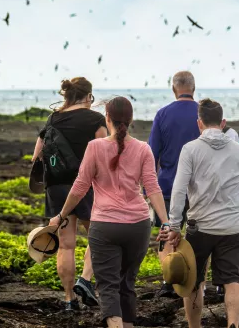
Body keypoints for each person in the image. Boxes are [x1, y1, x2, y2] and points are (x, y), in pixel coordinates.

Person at [50, 96, 170, 328]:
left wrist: (62, 215)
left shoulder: (95, 147)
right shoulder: (144, 149)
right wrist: (165, 222)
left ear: (107, 118)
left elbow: (80, 186)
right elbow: (152, 188)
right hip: (139, 226)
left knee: (108, 287)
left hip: (105, 226)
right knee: (127, 285)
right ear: (131, 119)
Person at [163, 98, 239, 328]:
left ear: (199, 123)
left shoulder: (190, 150)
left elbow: (178, 191)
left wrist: (175, 226)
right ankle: (233, 324)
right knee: (233, 281)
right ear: (223, 122)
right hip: (233, 228)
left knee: (194, 283)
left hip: (200, 229)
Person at [32, 77, 107, 310]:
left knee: (65, 245)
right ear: (88, 96)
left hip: (56, 187)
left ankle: (69, 300)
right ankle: (85, 280)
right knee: (99, 237)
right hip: (86, 186)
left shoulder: (52, 119)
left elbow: (37, 157)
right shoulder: (95, 119)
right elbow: (104, 155)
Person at [148, 71, 200, 297]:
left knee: (167, 232)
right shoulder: (204, 113)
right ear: (194, 88)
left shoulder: (163, 114)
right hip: (200, 187)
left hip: (168, 185)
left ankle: (168, 281)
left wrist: (146, 189)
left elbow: (152, 155)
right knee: (196, 236)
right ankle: (195, 280)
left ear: (173, 89)